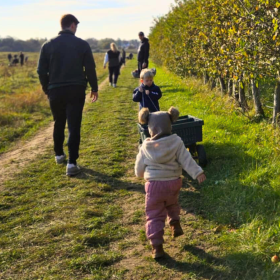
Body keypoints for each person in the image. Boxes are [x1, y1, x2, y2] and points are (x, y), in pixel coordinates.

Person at [135, 107, 206, 259]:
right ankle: (174, 223)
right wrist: (197, 172)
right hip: (173, 183)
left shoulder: (145, 146)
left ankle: (157, 246)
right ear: (169, 125)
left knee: (154, 214)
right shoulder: (176, 141)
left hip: (154, 186)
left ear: (150, 128)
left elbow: (138, 168)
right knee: (172, 204)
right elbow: (186, 159)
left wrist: (140, 175)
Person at [37, 14, 98, 176]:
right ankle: (71, 163)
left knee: (58, 122)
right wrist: (94, 88)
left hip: (55, 90)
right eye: (76, 26)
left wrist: (47, 89)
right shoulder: (82, 44)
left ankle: (58, 154)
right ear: (72, 25)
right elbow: (90, 68)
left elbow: (41, 71)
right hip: (76, 90)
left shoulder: (47, 45)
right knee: (73, 125)